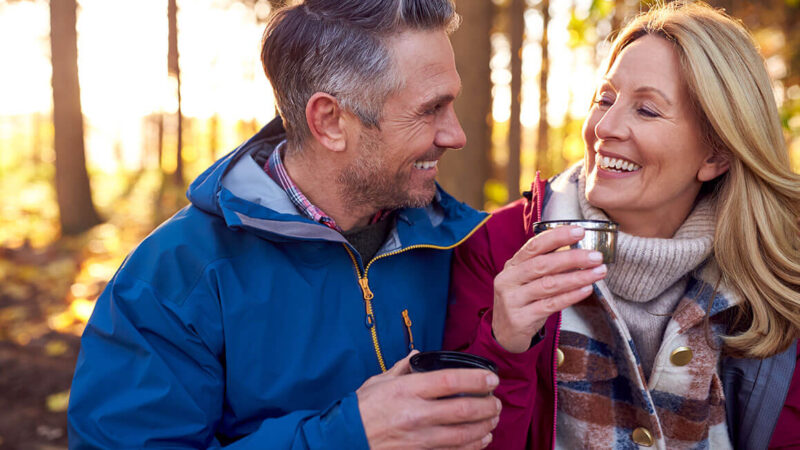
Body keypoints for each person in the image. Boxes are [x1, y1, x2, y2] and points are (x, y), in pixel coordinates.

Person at [67, 1, 503, 448]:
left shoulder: (456, 244)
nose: (456, 135)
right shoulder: (173, 279)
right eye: (430, 110)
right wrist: (346, 436)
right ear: (330, 122)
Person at [444, 2, 800, 449]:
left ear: (715, 155)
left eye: (647, 111)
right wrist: (504, 346)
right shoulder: (499, 247)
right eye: (605, 99)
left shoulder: (774, 280)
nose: (605, 127)